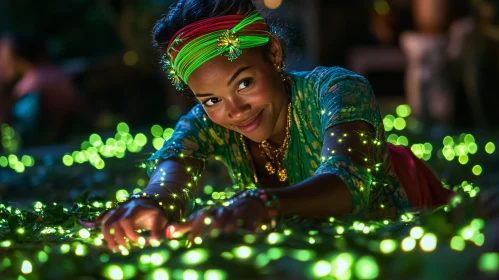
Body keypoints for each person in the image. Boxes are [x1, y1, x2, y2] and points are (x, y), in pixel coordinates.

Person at [98, 0, 455, 250]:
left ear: (273, 53)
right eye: (211, 99)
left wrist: (263, 203)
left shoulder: (336, 89)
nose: (235, 111)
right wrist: (153, 203)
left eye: (244, 83)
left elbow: (349, 183)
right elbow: (172, 174)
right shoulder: (208, 124)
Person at [0, 34, 84, 146]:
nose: (2, 63)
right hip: (71, 141)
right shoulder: (53, 74)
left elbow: (20, 133)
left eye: (4, 56)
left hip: (49, 148)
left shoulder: (31, 85)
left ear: (16, 56)